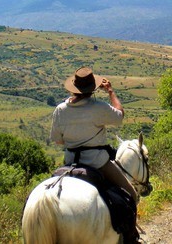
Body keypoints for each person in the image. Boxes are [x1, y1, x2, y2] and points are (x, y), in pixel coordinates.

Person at [50, 66, 140, 242]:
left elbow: (58, 141)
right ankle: (131, 239)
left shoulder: (60, 110)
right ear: (93, 89)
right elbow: (120, 116)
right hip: (98, 163)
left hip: (68, 164)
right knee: (130, 194)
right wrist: (110, 92)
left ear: (74, 88)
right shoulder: (99, 108)